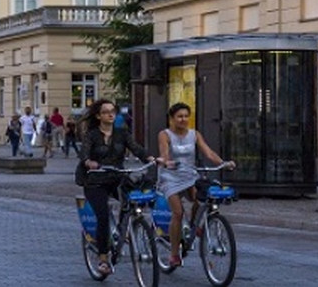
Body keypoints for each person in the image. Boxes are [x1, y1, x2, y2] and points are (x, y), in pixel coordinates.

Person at [77, 98, 155, 278]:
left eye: (113, 111)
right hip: (95, 180)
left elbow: (136, 148)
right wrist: (89, 162)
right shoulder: (92, 135)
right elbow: (84, 154)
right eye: (105, 112)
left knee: (134, 199)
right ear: (98, 116)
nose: (110, 114)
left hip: (117, 177)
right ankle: (103, 258)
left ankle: (123, 229)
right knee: (102, 216)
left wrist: (150, 159)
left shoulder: (122, 133)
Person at [156, 102, 233, 267]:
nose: (183, 120)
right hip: (170, 176)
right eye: (179, 117)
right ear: (172, 119)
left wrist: (223, 163)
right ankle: (174, 254)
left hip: (190, 174)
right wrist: (166, 161)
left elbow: (208, 152)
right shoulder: (165, 134)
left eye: (186, 116)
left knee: (201, 199)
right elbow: (164, 152)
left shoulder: (194, 134)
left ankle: (193, 225)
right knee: (177, 212)